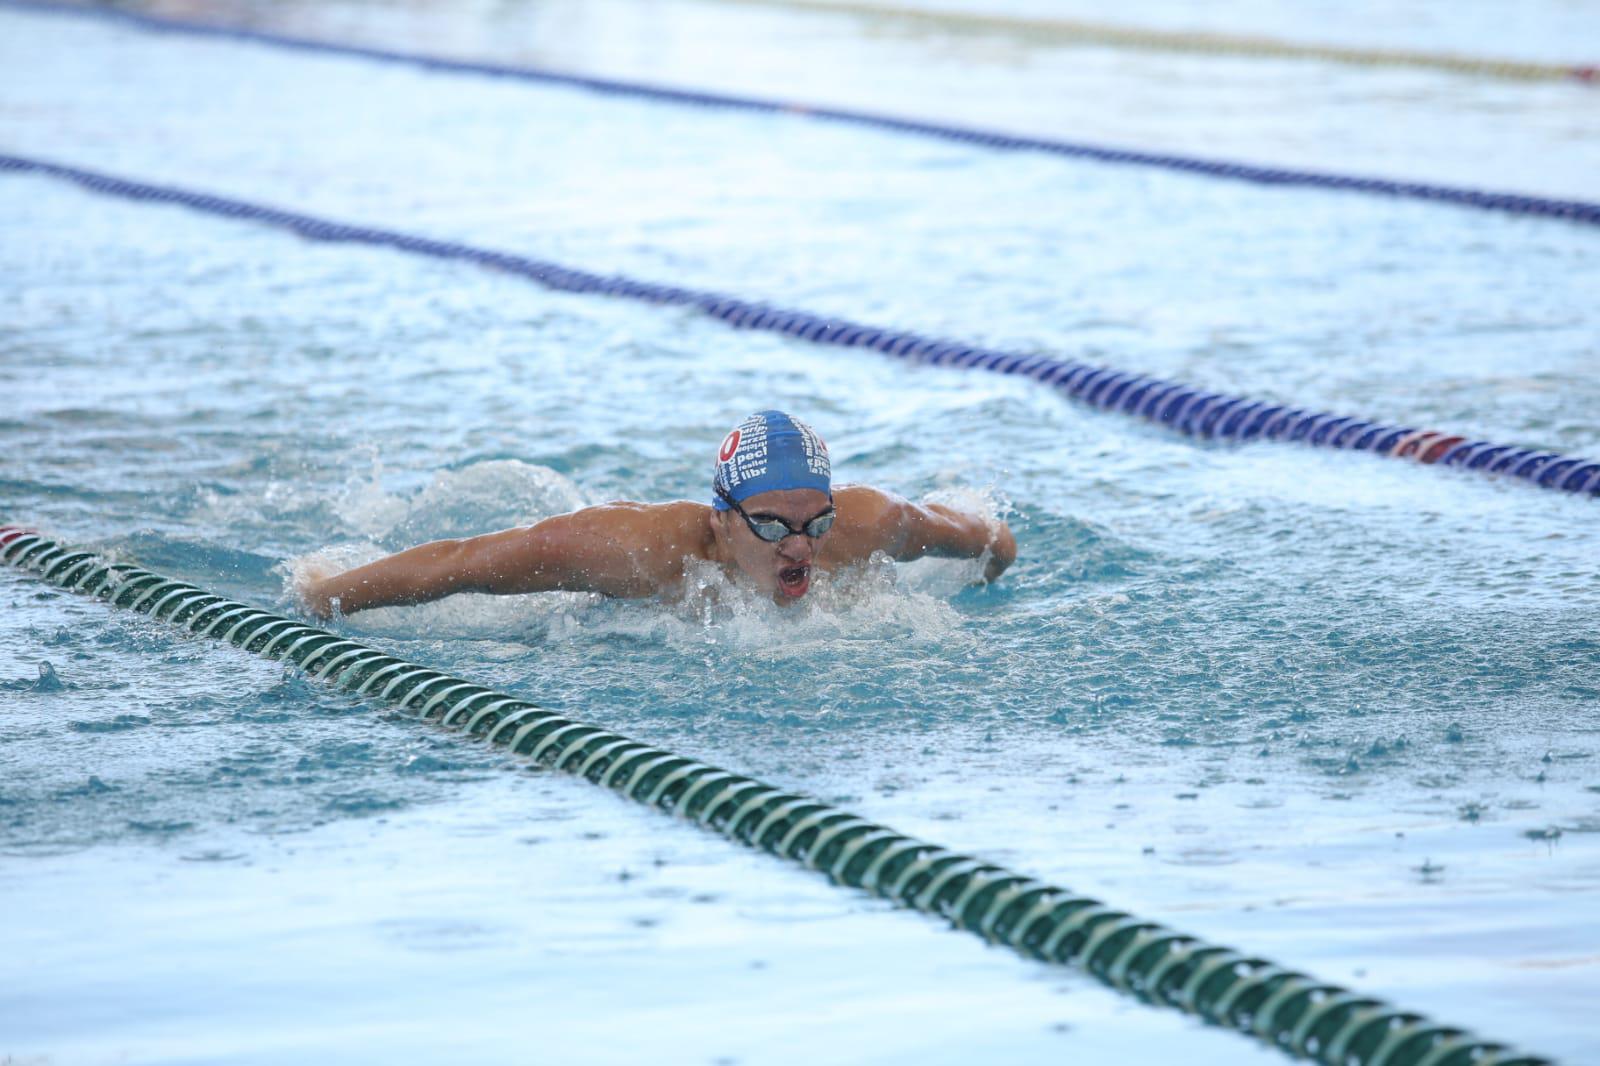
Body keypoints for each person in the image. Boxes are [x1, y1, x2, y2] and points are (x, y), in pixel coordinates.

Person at [300, 410, 1016, 618]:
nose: (801, 547)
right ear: (723, 517)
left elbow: (982, 536)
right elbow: (466, 565)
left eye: (815, 522)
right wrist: (328, 592)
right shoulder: (632, 551)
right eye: (772, 525)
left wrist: (996, 560)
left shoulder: (868, 525)